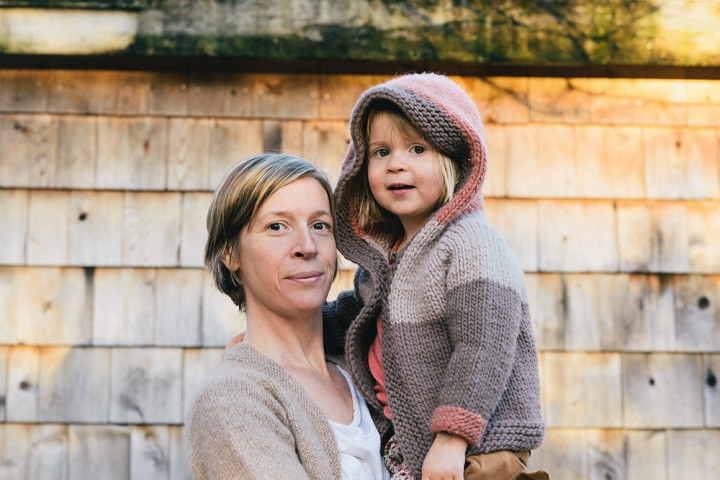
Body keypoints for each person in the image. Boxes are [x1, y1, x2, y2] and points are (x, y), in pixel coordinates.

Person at [323, 73, 547, 480]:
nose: (396, 164)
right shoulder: (387, 257)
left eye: (416, 148)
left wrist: (451, 437)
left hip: (474, 452)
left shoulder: (471, 244)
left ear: (455, 161)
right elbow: (350, 319)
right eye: (380, 151)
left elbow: (484, 346)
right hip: (408, 445)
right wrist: (279, 332)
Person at [185, 153, 391, 480]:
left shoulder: (367, 363)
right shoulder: (233, 402)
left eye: (320, 225)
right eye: (277, 226)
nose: (307, 246)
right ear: (230, 254)